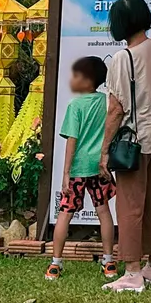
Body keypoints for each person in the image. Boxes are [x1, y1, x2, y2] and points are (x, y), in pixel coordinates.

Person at [100, 0, 151, 293]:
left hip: (135, 138)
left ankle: (132, 271)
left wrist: (105, 148)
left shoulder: (124, 57)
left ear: (120, 24)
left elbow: (116, 108)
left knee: (130, 205)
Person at [44, 54, 118, 281]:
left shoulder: (75, 105)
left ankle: (55, 264)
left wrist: (66, 172)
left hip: (77, 168)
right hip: (99, 167)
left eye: (76, 75)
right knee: (103, 211)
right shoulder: (106, 101)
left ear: (87, 80)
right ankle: (108, 262)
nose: (72, 79)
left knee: (65, 213)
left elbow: (71, 141)